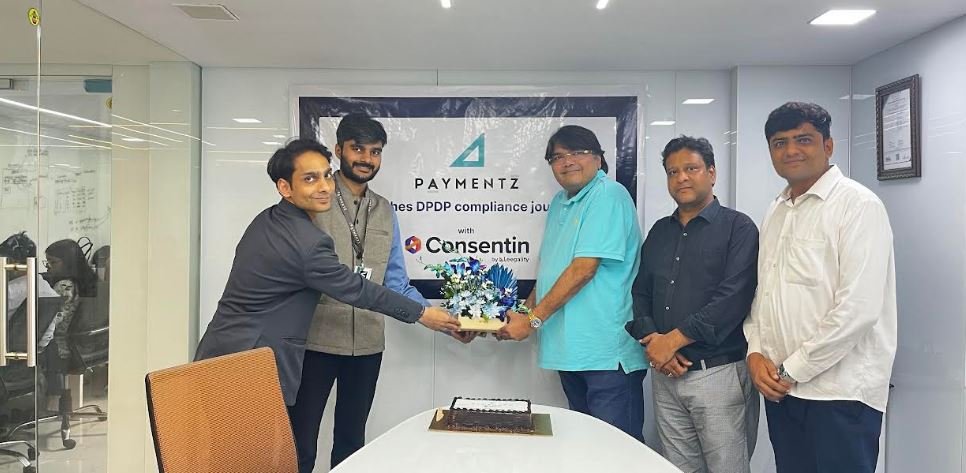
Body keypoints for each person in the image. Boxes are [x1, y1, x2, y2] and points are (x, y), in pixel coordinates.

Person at [194, 139, 460, 418]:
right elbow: (356, 289)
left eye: (326, 176)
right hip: (249, 367)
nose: (324, 187)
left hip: (224, 355)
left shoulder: (270, 219)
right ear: (285, 187)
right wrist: (421, 313)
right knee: (256, 446)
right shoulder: (306, 243)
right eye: (310, 179)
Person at [290, 114, 472, 472]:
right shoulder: (315, 201)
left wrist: (447, 323)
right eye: (357, 149)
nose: (366, 159)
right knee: (301, 443)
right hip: (315, 341)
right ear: (338, 150)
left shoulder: (385, 210)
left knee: (351, 442)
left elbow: (396, 282)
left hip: (368, 344)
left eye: (375, 152)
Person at [743, 102, 897, 473]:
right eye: (780, 143)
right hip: (783, 391)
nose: (791, 150)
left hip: (840, 394)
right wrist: (756, 352)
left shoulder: (858, 206)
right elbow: (765, 294)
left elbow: (857, 309)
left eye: (803, 139)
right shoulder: (778, 209)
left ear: (828, 146)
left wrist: (791, 370)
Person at [497, 125, 647, 441]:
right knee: (585, 449)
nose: (567, 162)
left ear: (598, 158)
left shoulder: (608, 194)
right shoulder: (559, 203)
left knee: (616, 452)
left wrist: (532, 321)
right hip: (570, 351)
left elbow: (583, 270)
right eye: (558, 157)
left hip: (606, 354)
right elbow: (551, 272)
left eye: (577, 152)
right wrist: (521, 315)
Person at [626, 136, 759, 472]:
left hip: (717, 374)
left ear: (711, 173)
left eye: (691, 168)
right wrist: (657, 343)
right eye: (673, 172)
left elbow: (733, 299)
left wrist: (672, 341)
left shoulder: (738, 228)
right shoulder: (660, 231)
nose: (681, 177)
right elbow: (640, 293)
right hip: (666, 374)